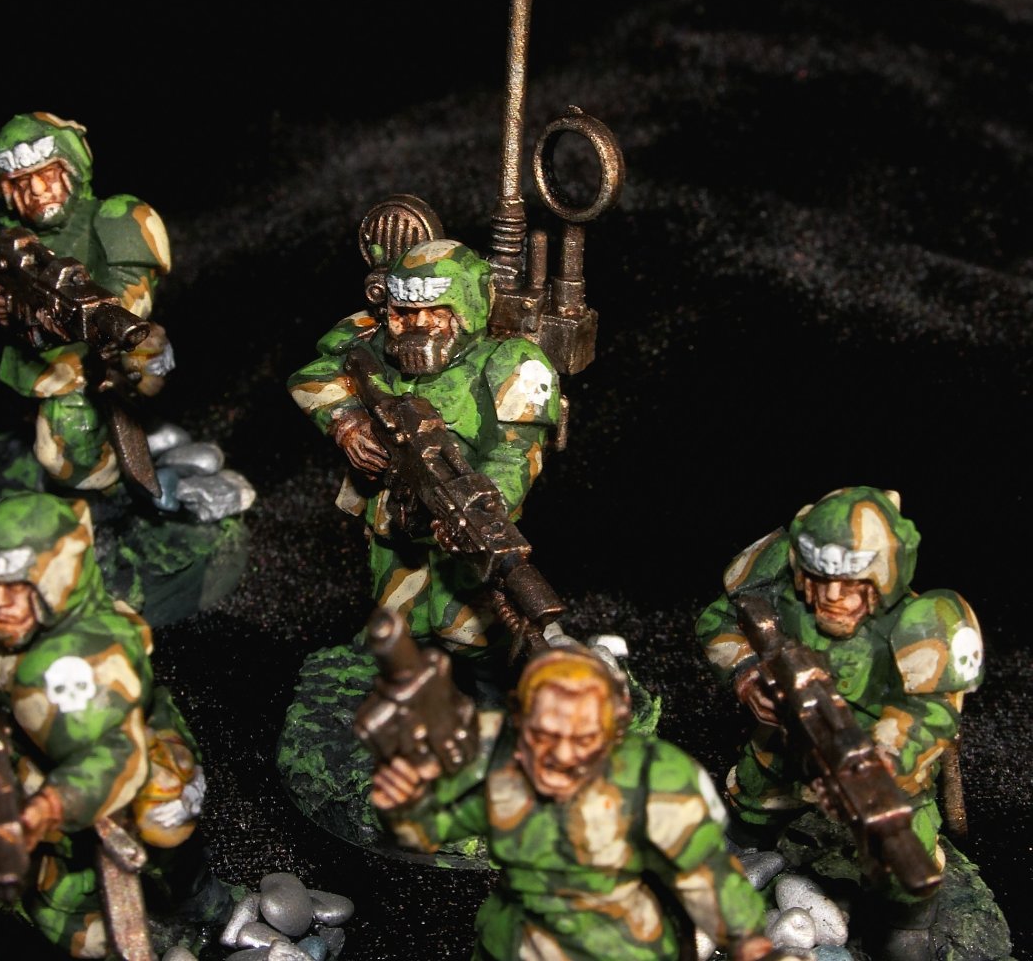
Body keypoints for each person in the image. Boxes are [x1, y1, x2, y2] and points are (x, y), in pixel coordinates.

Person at [696, 486, 984, 959]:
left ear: (883, 576)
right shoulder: (780, 591)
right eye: (819, 577)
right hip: (787, 736)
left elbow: (933, 712)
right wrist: (746, 672)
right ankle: (744, 846)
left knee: (903, 843)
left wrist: (884, 757)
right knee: (754, 791)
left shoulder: (921, 624)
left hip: (878, 755)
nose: (831, 596)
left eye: (851, 583)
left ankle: (906, 922)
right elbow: (719, 620)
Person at [371, 647, 775, 961]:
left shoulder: (654, 782)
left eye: (582, 738)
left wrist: (746, 937)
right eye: (546, 735)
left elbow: (703, 869)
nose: (562, 756)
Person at [0, 492, 205, 958]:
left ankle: (199, 900)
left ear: (52, 579)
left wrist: (46, 809)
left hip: (119, 758)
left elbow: (111, 757)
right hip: (34, 747)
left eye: (14, 585)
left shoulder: (84, 660)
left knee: (157, 832)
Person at [288, 239, 559, 655]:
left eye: (437, 314)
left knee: (469, 633)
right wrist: (348, 422)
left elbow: (518, 453)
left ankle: (489, 687)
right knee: (397, 619)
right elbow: (313, 374)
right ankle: (405, 677)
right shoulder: (374, 338)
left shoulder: (513, 361)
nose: (419, 326)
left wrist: (485, 508)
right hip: (391, 516)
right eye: (405, 314)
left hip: (463, 518)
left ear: (466, 311)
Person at [0, 112, 175, 494]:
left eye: (49, 174)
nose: (38, 191)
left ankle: (123, 482)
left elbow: (131, 294)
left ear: (72, 169)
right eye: (22, 183)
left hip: (110, 348)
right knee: (63, 453)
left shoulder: (118, 216)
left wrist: (75, 321)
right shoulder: (1, 225)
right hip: (46, 359)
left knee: (134, 380)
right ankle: (106, 487)